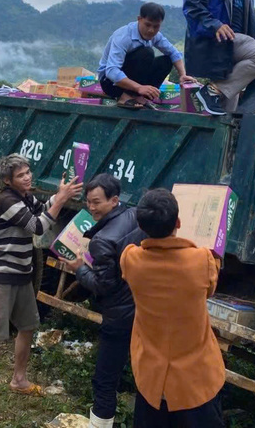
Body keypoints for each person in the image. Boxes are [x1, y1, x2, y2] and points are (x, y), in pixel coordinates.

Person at [0, 153, 82, 426]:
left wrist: (57, 196)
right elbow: (37, 226)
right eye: (21, 175)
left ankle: (19, 379)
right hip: (3, 277)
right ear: (8, 181)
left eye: (28, 172)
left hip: (22, 276)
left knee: (27, 326)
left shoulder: (24, 197)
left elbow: (41, 209)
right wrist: (60, 200)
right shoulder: (6, 200)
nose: (28, 177)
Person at [120, 188, 225, 427]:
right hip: (196, 382)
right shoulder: (201, 260)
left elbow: (135, 251)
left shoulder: (131, 259)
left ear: (142, 226)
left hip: (151, 380)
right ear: (178, 222)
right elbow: (210, 288)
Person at [64, 174, 145, 428]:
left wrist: (79, 268)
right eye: (88, 202)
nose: (91, 207)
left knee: (104, 380)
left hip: (119, 317)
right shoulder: (134, 216)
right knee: (145, 376)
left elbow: (103, 285)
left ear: (114, 200)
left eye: (97, 202)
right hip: (144, 310)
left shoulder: (102, 240)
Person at [97, 2, 194, 110]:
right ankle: (124, 97)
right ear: (139, 19)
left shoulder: (156, 36)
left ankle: (139, 97)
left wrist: (182, 75)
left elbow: (174, 53)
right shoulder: (123, 36)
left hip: (134, 83)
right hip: (110, 83)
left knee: (166, 61)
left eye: (156, 26)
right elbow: (111, 71)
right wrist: (139, 87)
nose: (151, 30)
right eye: (147, 25)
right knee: (146, 53)